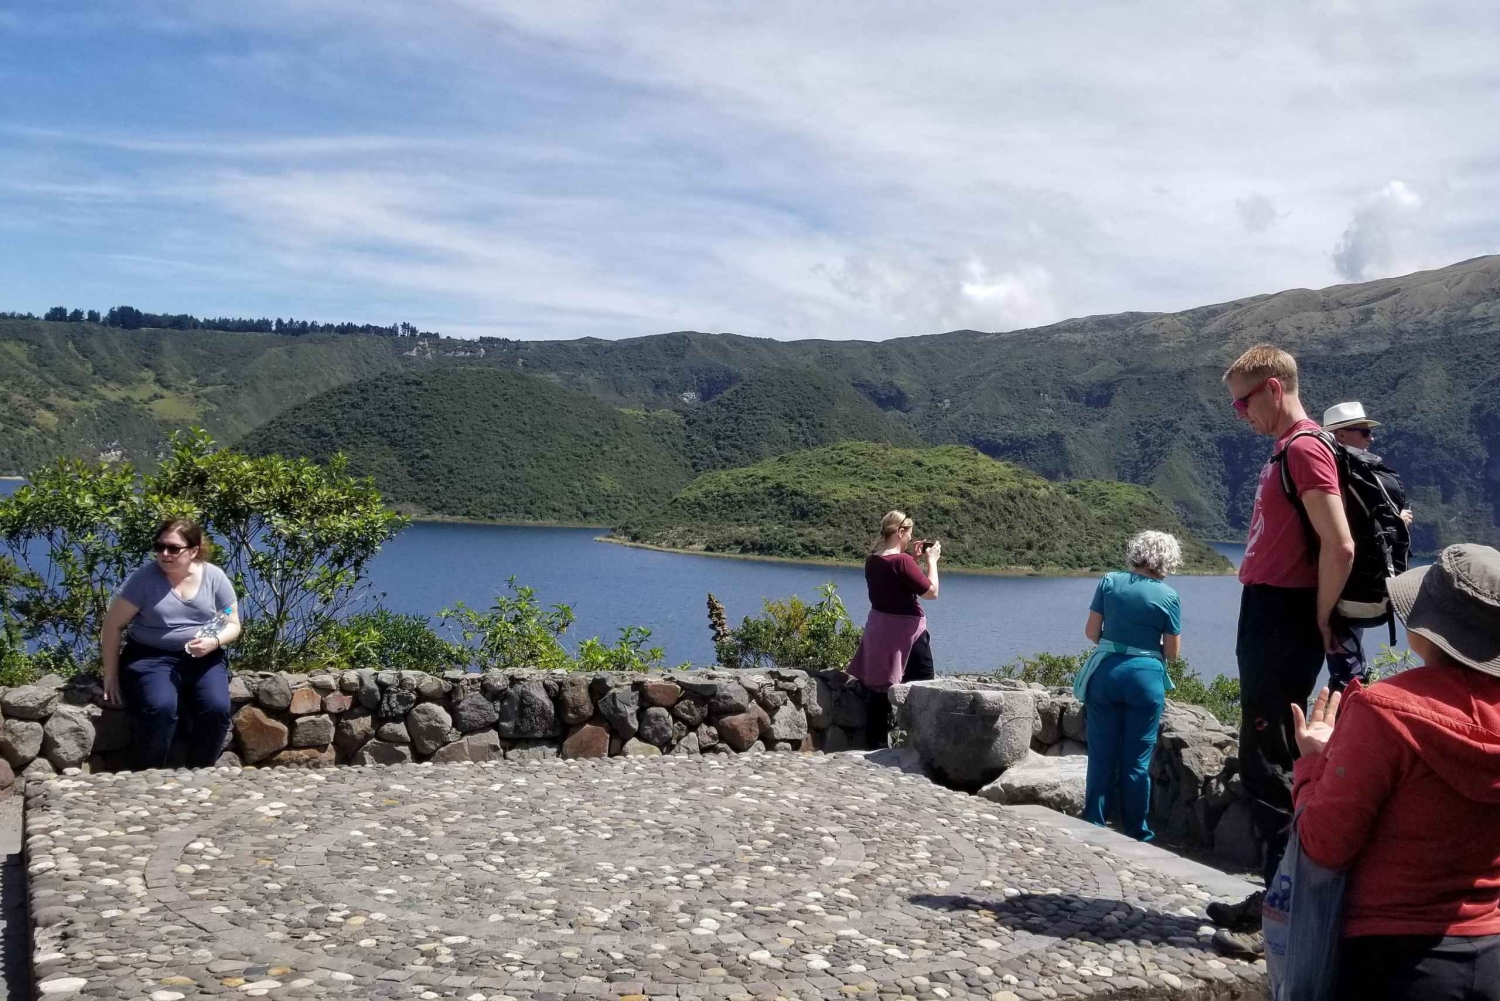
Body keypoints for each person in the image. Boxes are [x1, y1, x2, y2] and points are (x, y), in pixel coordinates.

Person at [1288, 543, 1500, 1000]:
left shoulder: (1386, 711)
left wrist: (1312, 764)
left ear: (1429, 629)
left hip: (1391, 962)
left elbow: (1325, 844)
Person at [1210, 344, 1356, 953]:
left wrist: (1320, 618)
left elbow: (1339, 544)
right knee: (1262, 757)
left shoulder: (1303, 448)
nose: (1241, 413)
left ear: (1274, 387)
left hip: (1284, 619)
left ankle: (1281, 915)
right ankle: (1273, 896)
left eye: (1244, 401)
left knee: (1268, 766)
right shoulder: (1288, 449)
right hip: (1272, 614)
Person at [101, 518, 241, 769]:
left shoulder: (214, 578)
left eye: (174, 548)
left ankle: (201, 770)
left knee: (217, 708)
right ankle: (149, 773)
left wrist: (214, 642)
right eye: (160, 546)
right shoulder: (143, 580)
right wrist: (110, 676)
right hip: (151, 657)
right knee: (161, 707)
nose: (165, 554)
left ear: (194, 550)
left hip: (203, 658)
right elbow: (112, 626)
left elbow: (233, 623)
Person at [1078, 530, 1183, 841]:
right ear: (1168, 560)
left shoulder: (1109, 582)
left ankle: (1093, 821)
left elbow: (1091, 632)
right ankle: (1137, 830)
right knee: (1137, 760)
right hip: (1146, 679)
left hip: (1106, 673)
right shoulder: (1169, 597)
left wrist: (1116, 644)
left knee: (1101, 753)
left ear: (1135, 553)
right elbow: (1172, 652)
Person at [1321, 401, 1414, 692]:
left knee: (1344, 669)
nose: (1370, 438)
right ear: (1341, 435)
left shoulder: (1342, 472)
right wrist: (1399, 522)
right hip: (1362, 585)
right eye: (1363, 431)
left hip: (1339, 584)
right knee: (1351, 669)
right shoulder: (1354, 473)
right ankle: (1351, 725)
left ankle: (1342, 728)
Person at [845, 510, 940, 747]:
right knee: (923, 683)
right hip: (907, 632)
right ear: (900, 532)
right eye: (909, 533)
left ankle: (874, 746)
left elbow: (894, 580)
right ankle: (920, 746)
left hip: (879, 630)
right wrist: (931, 561)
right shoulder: (902, 561)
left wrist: (913, 561)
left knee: (879, 689)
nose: (910, 538)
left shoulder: (872, 560)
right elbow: (932, 592)